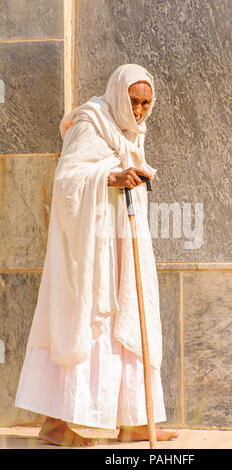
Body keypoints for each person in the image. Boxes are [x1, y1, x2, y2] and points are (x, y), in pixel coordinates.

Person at [14, 64, 179, 447]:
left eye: (145, 104)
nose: (138, 111)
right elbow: (66, 179)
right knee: (86, 322)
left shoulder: (130, 130)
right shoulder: (91, 122)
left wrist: (135, 173)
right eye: (133, 102)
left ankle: (135, 421)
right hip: (90, 249)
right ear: (118, 93)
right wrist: (108, 177)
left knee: (129, 321)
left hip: (123, 239)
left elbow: (122, 166)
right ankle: (56, 424)